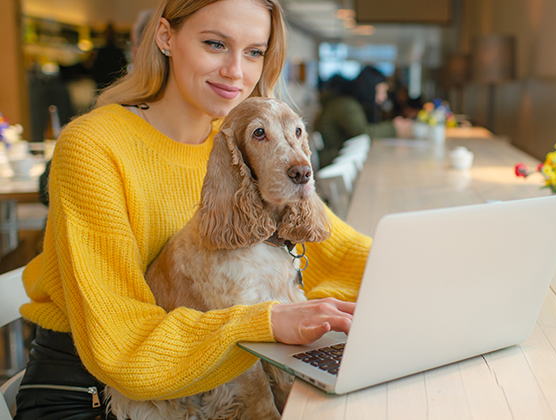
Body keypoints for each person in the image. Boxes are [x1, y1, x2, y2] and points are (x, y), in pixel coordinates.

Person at [15, 0, 369, 418]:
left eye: (255, 52)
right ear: (166, 37)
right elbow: (122, 347)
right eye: (216, 44)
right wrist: (263, 324)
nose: (236, 71)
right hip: (94, 395)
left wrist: (430, 272)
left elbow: (338, 252)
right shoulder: (93, 147)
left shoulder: (242, 141)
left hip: (209, 377)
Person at [314, 66, 413, 167]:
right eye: (381, 91)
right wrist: (394, 127)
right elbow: (363, 134)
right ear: (369, 89)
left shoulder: (351, 103)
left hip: (339, 159)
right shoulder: (347, 106)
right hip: (333, 162)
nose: (384, 97)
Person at [90, 23, 128, 90]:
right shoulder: (118, 52)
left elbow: (95, 69)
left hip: (103, 86)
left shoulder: (101, 52)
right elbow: (123, 70)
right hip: (115, 86)